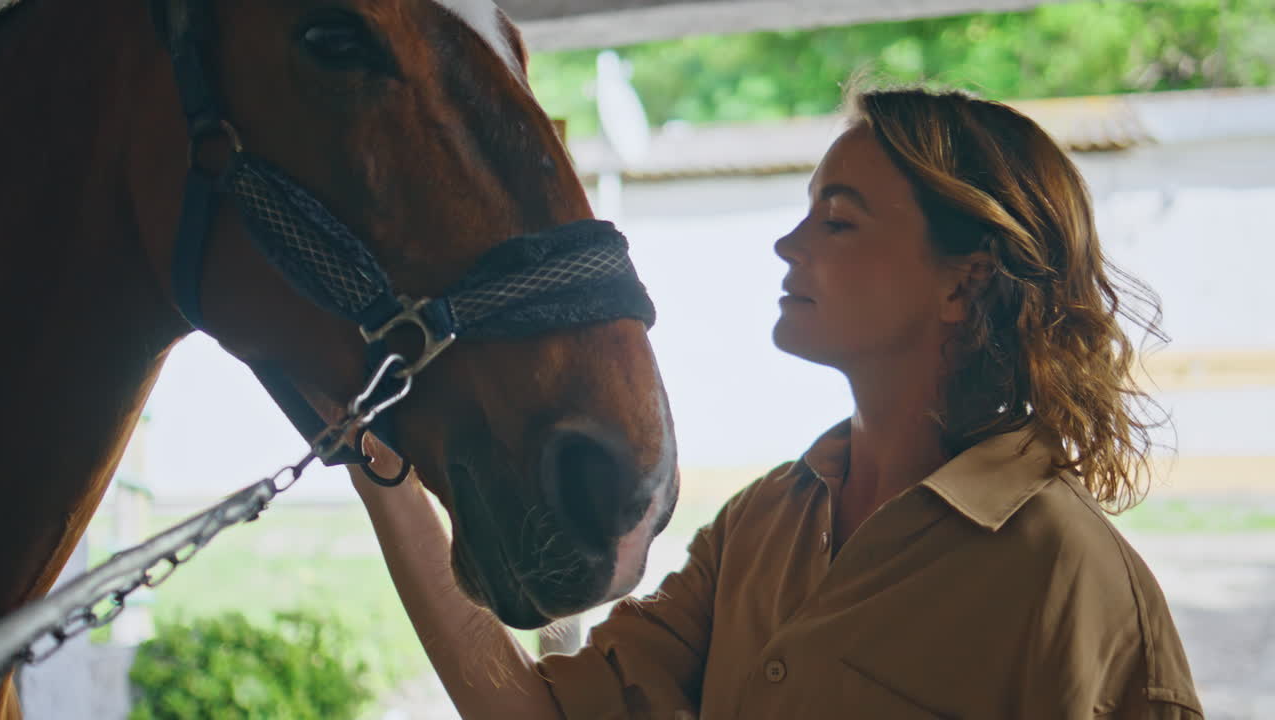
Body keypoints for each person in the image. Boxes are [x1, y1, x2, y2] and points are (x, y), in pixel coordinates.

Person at [351, 85, 1203, 719]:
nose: (786, 243)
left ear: (963, 280)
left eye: (837, 221)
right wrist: (384, 475)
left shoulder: (1070, 581)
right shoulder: (762, 525)